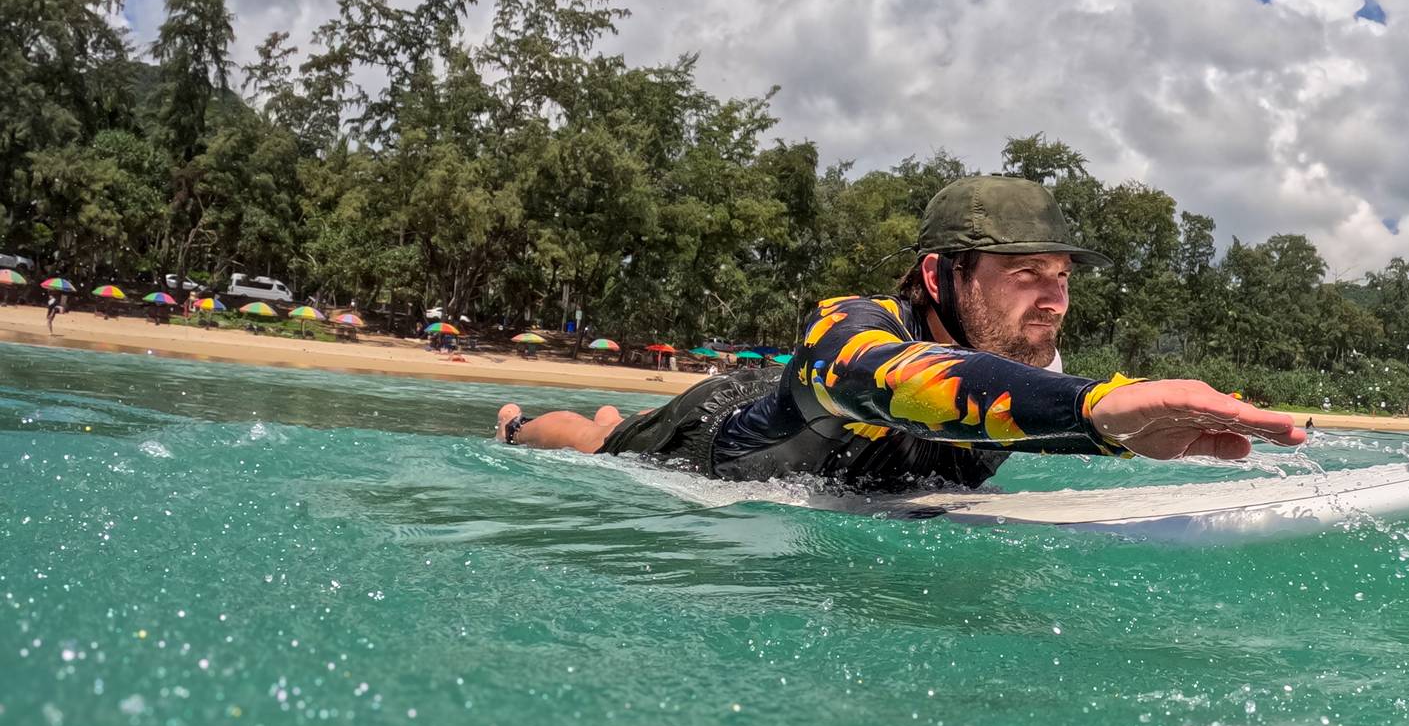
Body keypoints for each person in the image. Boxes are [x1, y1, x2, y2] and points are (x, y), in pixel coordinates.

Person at [495, 176, 1303, 487]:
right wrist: (1093, 413)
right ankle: (518, 423)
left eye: (1061, 275)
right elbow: (894, 383)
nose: (1054, 298)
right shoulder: (849, 328)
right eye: (1026, 274)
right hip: (713, 435)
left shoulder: (1029, 367)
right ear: (937, 276)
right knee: (595, 439)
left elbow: (1017, 410)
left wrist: (1120, 434)